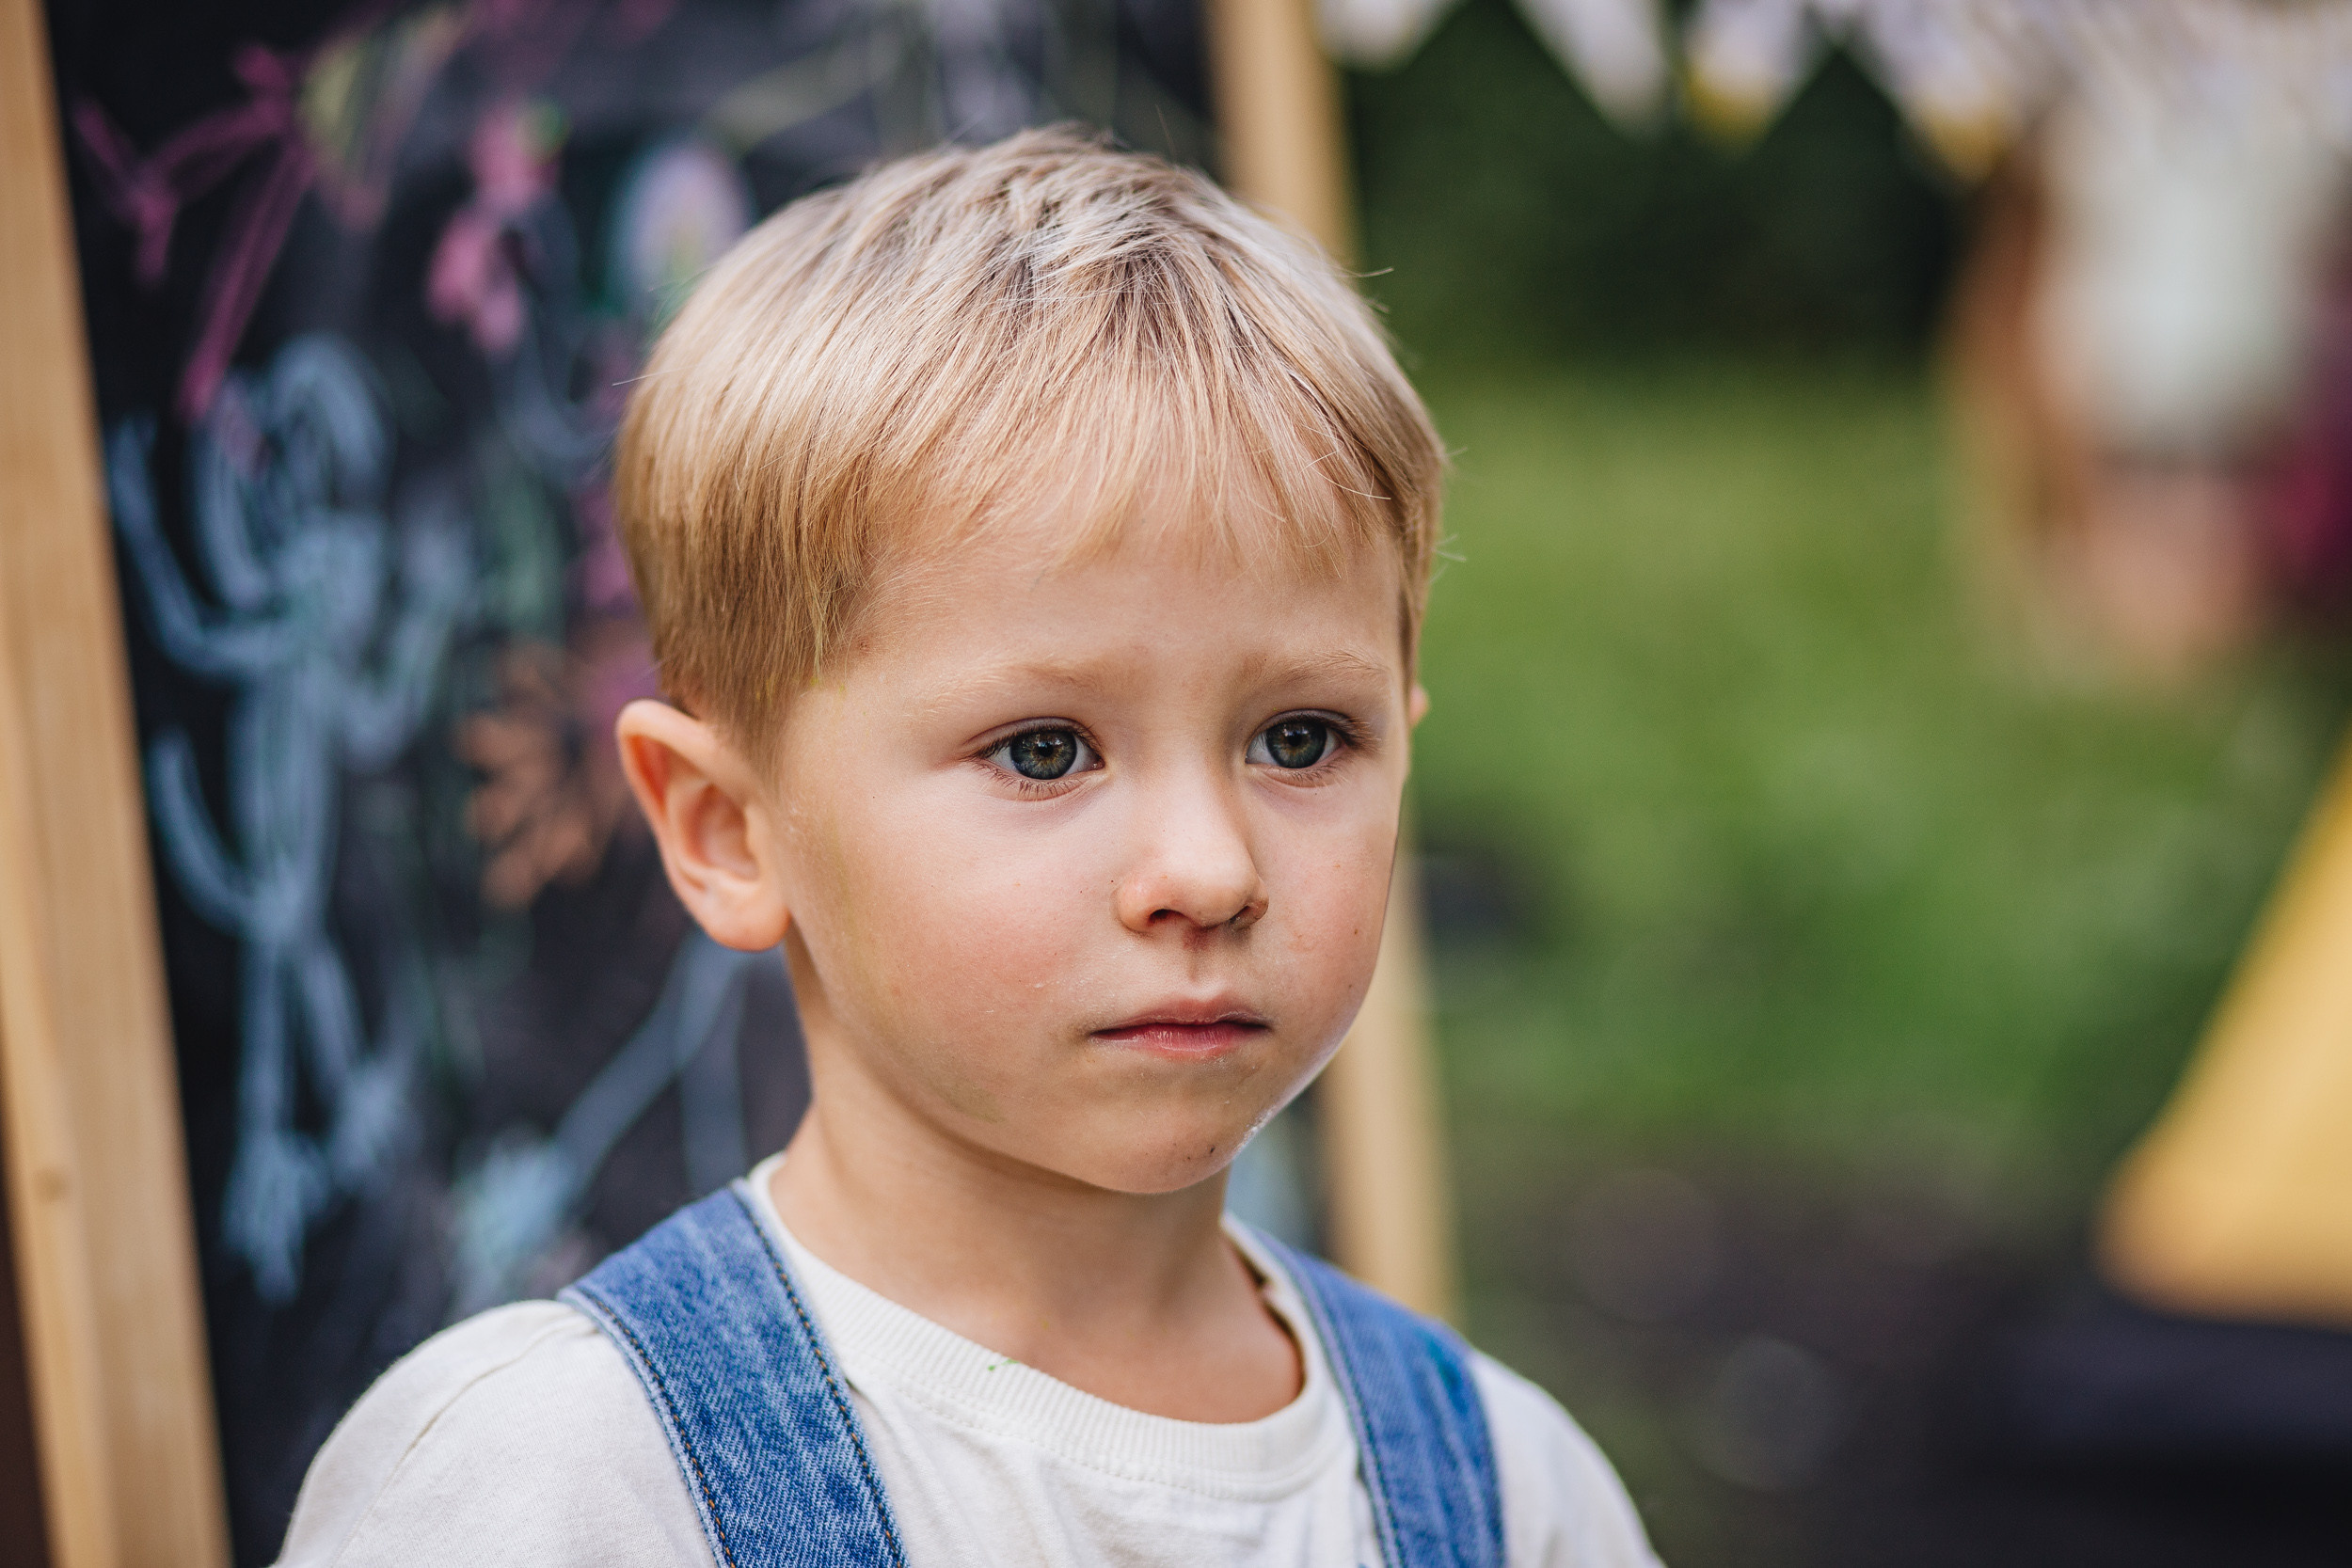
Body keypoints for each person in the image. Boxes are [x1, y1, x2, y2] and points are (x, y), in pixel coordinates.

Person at [274, 128, 1661, 1568]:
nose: (1208, 870)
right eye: (1044, 751)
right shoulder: (557, 1487)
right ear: (728, 829)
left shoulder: (1508, 1493)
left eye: (1301, 740)